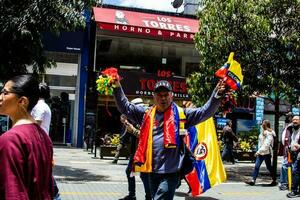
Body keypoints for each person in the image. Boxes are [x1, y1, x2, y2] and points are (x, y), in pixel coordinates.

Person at [113, 79, 226, 199]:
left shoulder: (182, 114)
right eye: (159, 95)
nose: (163, 98)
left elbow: (205, 112)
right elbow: (125, 107)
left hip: (171, 174)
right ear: (154, 97)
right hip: (151, 172)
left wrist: (216, 95)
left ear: (171, 96)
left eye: (166, 95)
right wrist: (117, 86)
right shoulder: (146, 114)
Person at [0, 74, 53, 199]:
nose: (0, 97)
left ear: (22, 101)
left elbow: (13, 192)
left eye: (5, 93)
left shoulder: (11, 139)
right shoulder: (44, 137)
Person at [31, 83, 61, 200]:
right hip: (42, 144)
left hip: (38, 144)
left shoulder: (39, 107)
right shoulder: (44, 106)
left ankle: (55, 195)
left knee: (43, 174)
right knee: (44, 173)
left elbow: (35, 126)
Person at [118, 98, 151, 200]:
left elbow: (144, 135)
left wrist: (132, 129)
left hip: (144, 152)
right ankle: (132, 194)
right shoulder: (134, 119)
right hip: (136, 152)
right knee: (130, 171)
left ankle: (148, 197)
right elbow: (126, 135)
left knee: (144, 175)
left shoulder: (145, 119)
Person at [245, 119, 277, 186]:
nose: (261, 124)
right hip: (261, 153)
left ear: (265, 124)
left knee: (269, 167)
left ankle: (274, 180)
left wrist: (258, 152)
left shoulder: (269, 133)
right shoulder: (263, 131)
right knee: (257, 166)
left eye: (262, 123)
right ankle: (253, 181)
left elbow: (266, 144)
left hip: (266, 153)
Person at [279, 112, 294, 190]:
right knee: (287, 166)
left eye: (289, 116)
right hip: (286, 148)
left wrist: (289, 146)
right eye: (287, 116)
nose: (288, 118)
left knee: (286, 166)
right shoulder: (287, 125)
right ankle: (286, 182)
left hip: (289, 148)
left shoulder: (292, 126)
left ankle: (285, 183)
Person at [286, 115, 300, 198]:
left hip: (299, 153)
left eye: (297, 120)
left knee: (295, 172)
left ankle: (294, 191)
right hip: (293, 153)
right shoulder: (292, 129)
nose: (294, 121)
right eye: (293, 120)